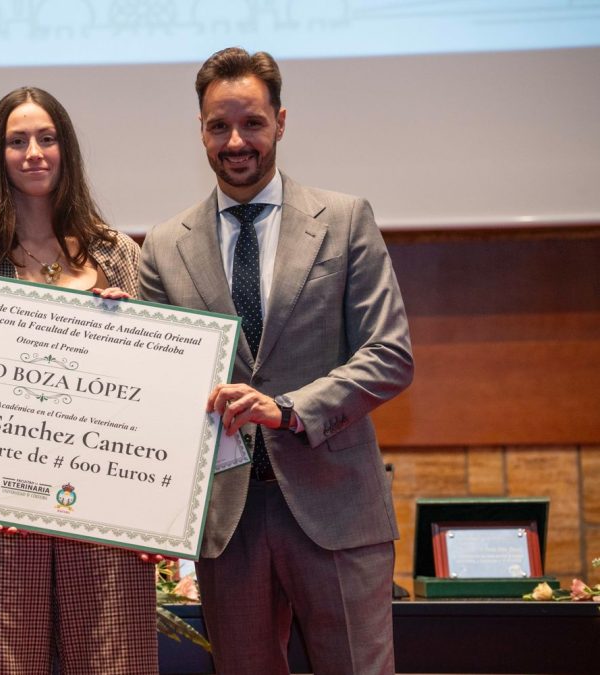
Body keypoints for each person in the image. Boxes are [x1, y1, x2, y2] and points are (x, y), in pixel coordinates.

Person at [139, 48, 414, 674]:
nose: (236, 141)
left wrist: (288, 409)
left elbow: (390, 354)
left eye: (253, 123)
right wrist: (117, 332)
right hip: (227, 523)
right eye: (218, 126)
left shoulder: (344, 221)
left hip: (336, 507)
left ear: (281, 122)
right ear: (201, 130)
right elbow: (156, 380)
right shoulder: (163, 246)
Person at [0, 86, 157, 674]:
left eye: (47, 138)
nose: (34, 152)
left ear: (67, 150)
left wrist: (129, 334)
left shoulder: (118, 256)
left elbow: (155, 389)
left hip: (108, 515)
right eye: (17, 141)